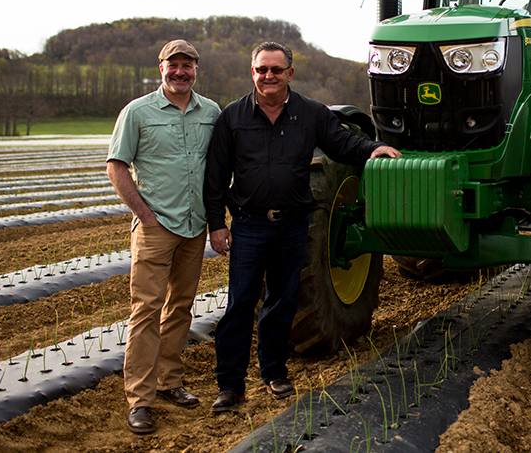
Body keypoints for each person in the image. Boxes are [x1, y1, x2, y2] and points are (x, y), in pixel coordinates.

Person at [204, 41, 400, 411]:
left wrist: (371, 149)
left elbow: (341, 142)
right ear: (253, 73)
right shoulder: (232, 117)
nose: (269, 76)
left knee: (281, 303)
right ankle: (230, 385)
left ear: (289, 74)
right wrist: (218, 224)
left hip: (293, 226)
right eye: (262, 69)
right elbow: (215, 177)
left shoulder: (310, 114)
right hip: (249, 226)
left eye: (276, 70)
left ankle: (275, 372)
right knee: (240, 305)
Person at [107, 39, 221, 434]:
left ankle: (170, 382)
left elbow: (219, 168)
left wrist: (219, 218)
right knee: (145, 312)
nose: (180, 72)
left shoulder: (211, 112)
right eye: (173, 65)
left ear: (196, 70)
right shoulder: (137, 112)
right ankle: (140, 400)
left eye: (187, 65)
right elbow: (117, 167)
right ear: (161, 68)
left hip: (194, 226)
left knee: (181, 307)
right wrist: (144, 215)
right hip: (156, 228)